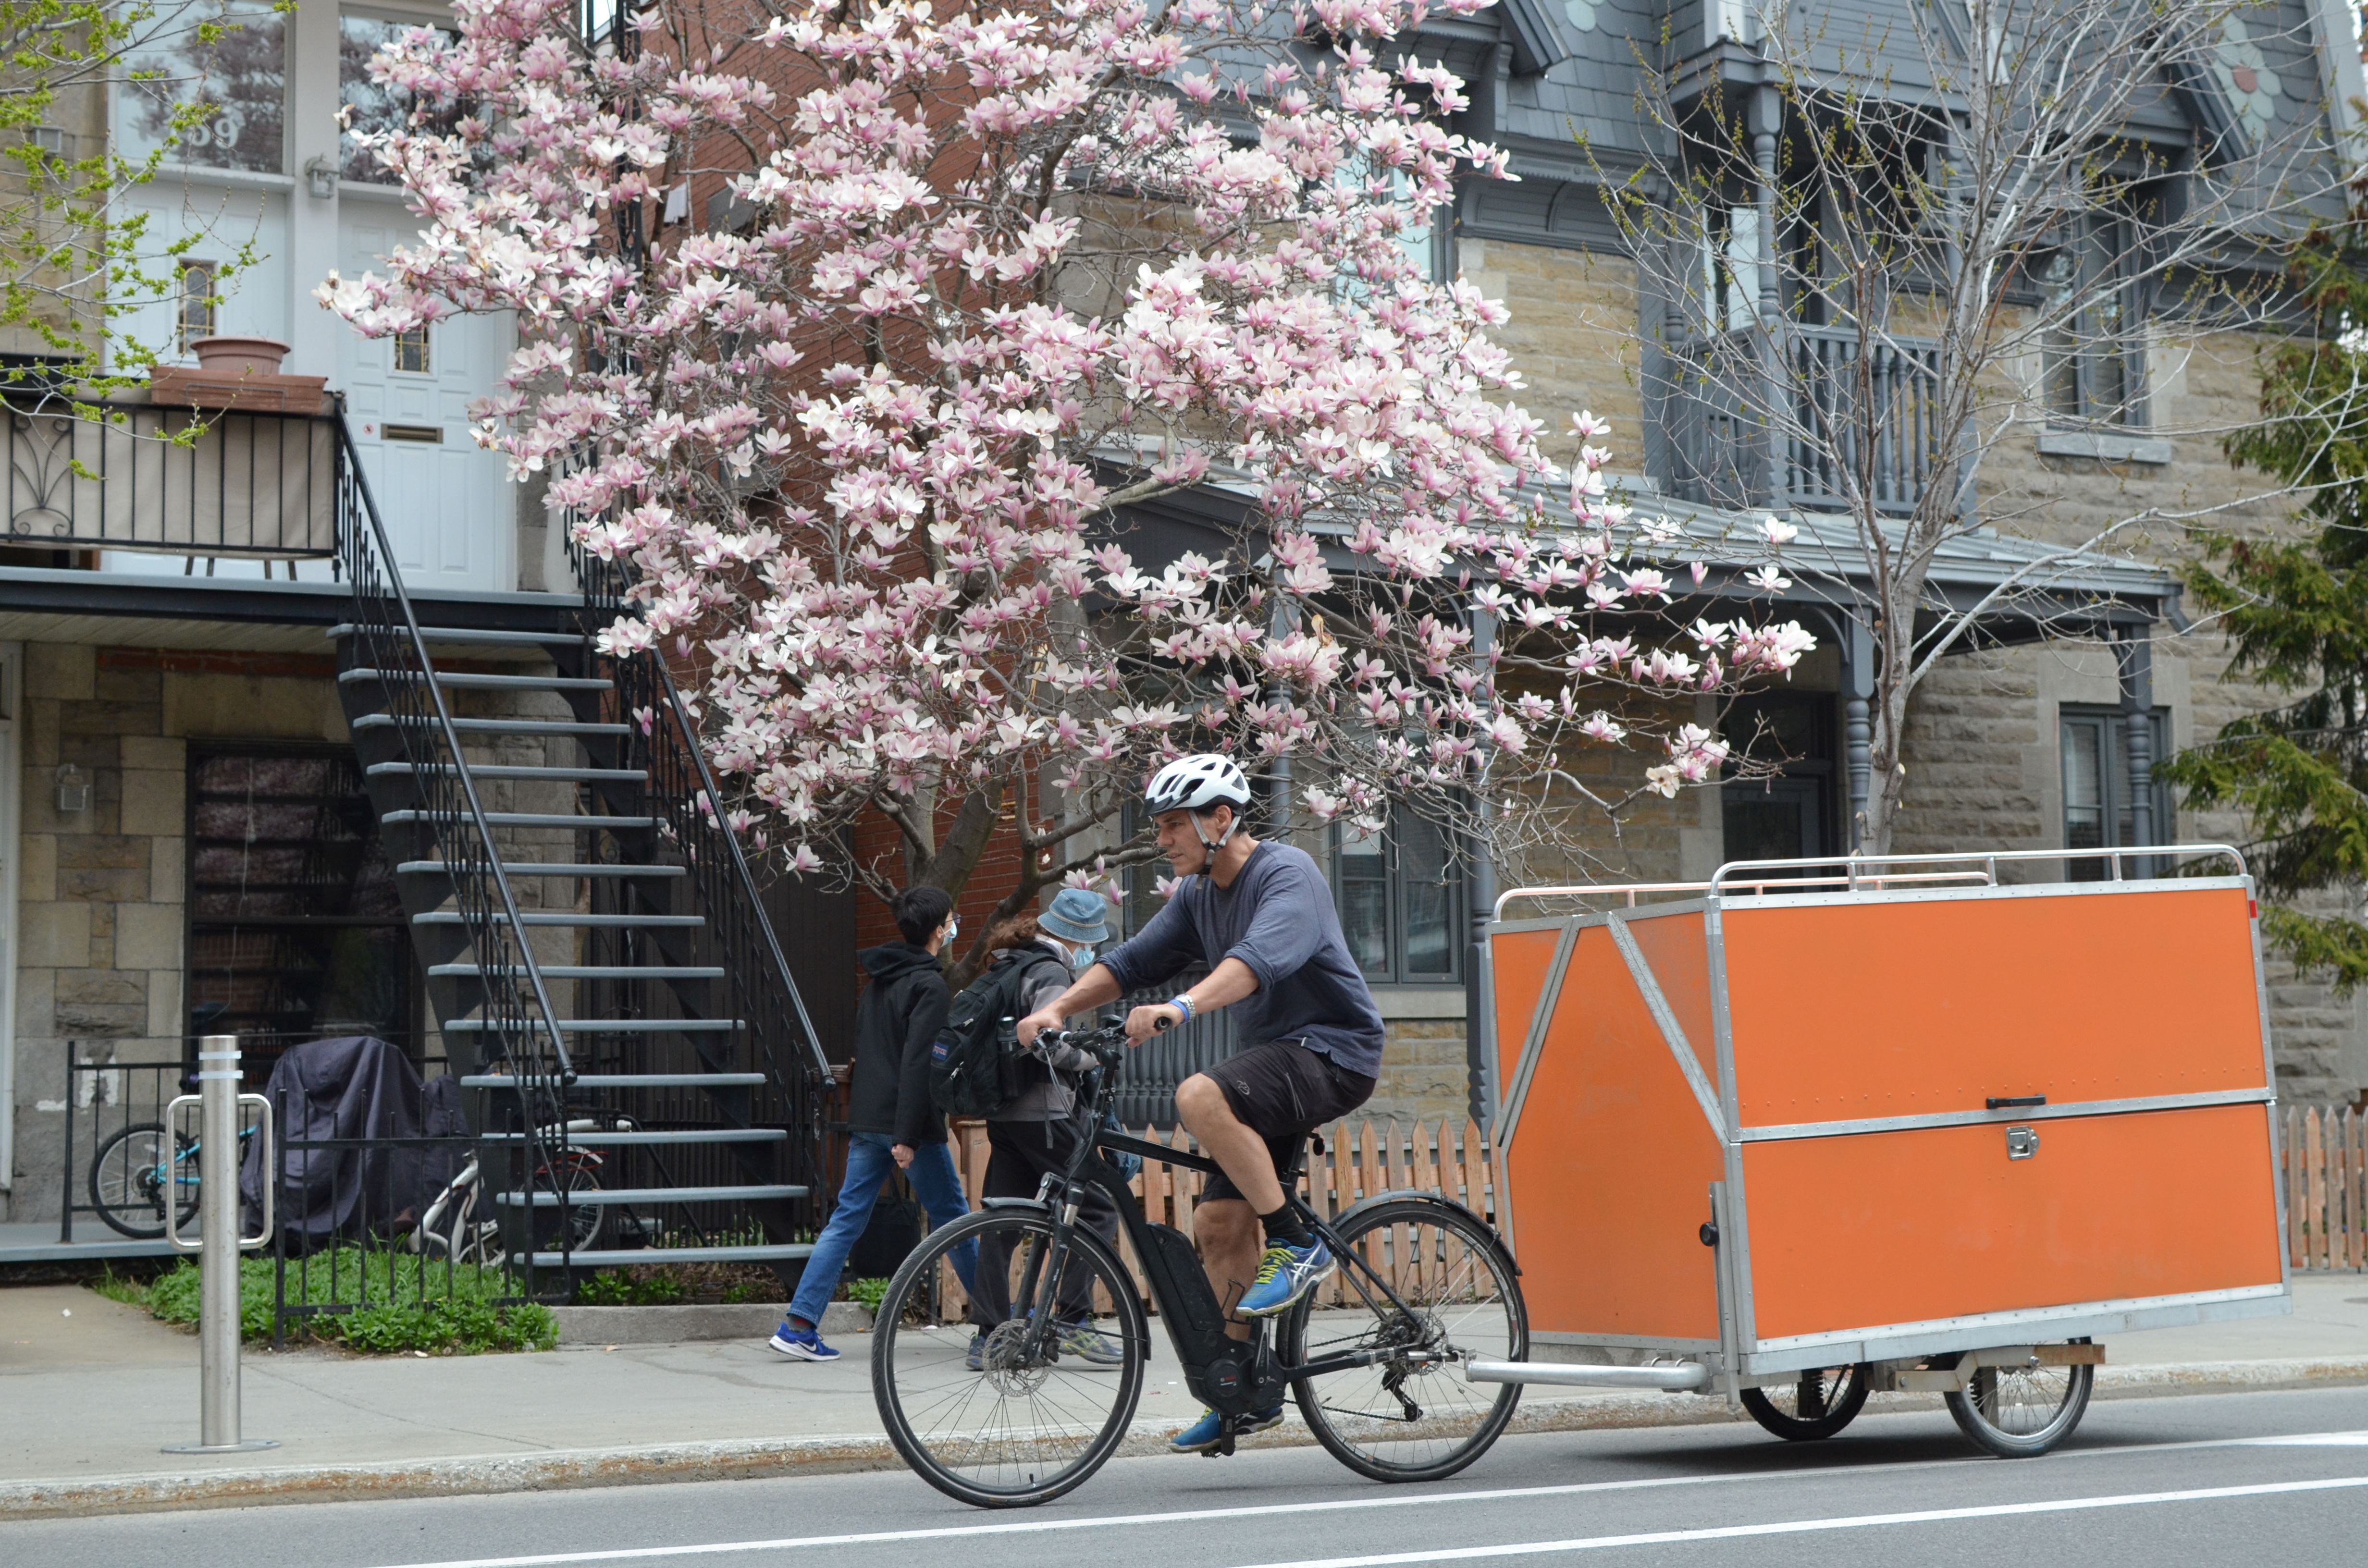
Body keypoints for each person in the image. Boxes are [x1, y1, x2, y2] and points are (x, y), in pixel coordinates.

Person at [1015, 754, 1383, 1453]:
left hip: (1333, 1052)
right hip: (1274, 1066)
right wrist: (1058, 1005)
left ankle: (1298, 1245)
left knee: (1197, 1094)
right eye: (1158, 826)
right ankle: (1239, 1391)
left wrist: (1179, 1008)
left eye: (1174, 824)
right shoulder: (1195, 896)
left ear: (1222, 819)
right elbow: (1129, 963)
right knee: (1216, 1224)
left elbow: (1253, 964)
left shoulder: (1286, 874)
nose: (1163, 839)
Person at [770, 886, 978, 1362]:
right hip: (909, 1124)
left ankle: (799, 1324)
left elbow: (870, 1056)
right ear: (937, 930)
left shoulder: (879, 981)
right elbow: (916, 1064)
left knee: (845, 1221)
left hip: (867, 1118)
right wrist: (906, 1136)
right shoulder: (930, 986)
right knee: (953, 1218)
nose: (953, 925)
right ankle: (998, 1317)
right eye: (949, 919)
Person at [965, 887, 1128, 1370]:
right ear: (1077, 940)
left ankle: (988, 1335)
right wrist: (1089, 1056)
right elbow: (1046, 1040)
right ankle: (1074, 1320)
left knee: (1002, 1223)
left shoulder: (1007, 963)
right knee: (1097, 1208)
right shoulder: (1052, 972)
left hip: (1005, 1113)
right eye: (1089, 945)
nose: (1090, 954)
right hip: (1047, 1114)